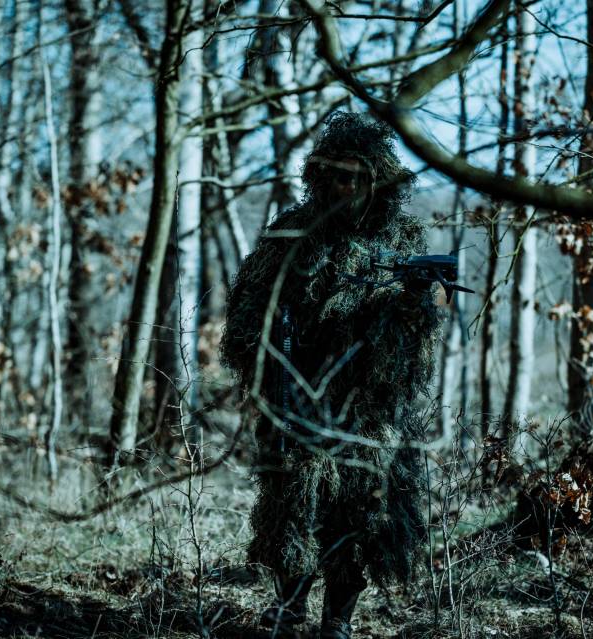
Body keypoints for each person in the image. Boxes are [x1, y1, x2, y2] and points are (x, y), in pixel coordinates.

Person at [221, 112, 443, 638]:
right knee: (291, 502)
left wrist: (411, 304)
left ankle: (338, 617)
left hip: (369, 402)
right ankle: (289, 604)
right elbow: (247, 309)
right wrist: (267, 355)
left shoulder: (402, 239)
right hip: (297, 391)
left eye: (358, 177)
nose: (347, 188)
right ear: (320, 177)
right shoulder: (291, 233)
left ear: (378, 181)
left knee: (362, 508)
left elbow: (417, 335)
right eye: (337, 176)